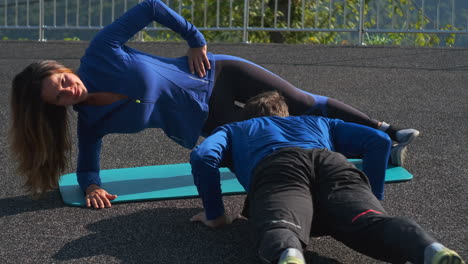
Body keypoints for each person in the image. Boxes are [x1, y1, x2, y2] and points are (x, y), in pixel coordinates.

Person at [10, 0, 418, 208]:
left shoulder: (101, 53)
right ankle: (366, 152)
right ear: (57, 108)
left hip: (217, 73)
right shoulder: (92, 121)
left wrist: (194, 38)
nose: (70, 91)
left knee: (302, 102)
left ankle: (384, 132)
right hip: (208, 121)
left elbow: (151, 6)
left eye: (63, 81)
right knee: (278, 139)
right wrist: (92, 186)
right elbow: (88, 166)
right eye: (60, 97)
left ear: (64, 68)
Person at [189, 92, 464, 264]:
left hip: (278, 170)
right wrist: (373, 197)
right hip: (332, 164)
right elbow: (379, 141)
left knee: (283, 226)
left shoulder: (236, 128)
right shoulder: (318, 122)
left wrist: (215, 214)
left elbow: (203, 157)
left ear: (248, 115)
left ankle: (291, 254)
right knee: (369, 221)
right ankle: (429, 247)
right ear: (286, 113)